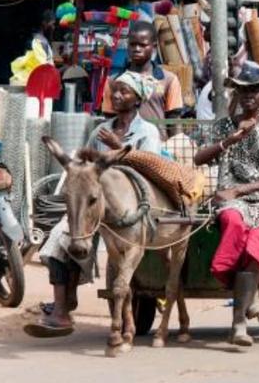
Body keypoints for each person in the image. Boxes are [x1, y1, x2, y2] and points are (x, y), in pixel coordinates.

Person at [25, 71, 161, 337]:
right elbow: (83, 165)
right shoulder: (100, 130)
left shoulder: (148, 131)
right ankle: (62, 310)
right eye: (116, 90)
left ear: (138, 99)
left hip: (127, 207)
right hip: (93, 204)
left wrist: (119, 145)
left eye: (125, 91)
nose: (118, 95)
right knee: (56, 241)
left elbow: (151, 168)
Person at [194, 61, 259, 347]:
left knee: (257, 240)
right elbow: (199, 159)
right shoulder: (223, 126)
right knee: (233, 221)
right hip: (229, 202)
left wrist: (240, 190)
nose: (248, 95)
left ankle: (238, 324)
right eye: (242, 90)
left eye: (254, 90)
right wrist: (229, 140)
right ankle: (246, 296)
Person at [102, 21, 183, 132]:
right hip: (123, 145)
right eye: (133, 44)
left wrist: (175, 146)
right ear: (127, 45)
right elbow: (109, 118)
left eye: (143, 45)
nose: (137, 49)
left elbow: (174, 119)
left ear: (154, 46)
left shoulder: (168, 80)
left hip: (157, 146)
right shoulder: (113, 81)